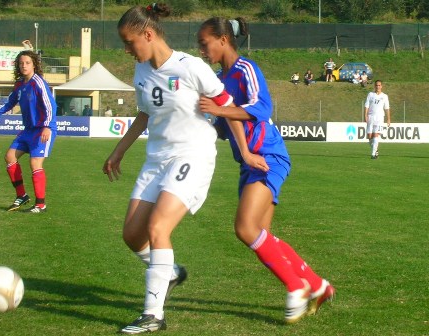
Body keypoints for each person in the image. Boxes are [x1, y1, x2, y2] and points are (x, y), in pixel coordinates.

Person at [102, 3, 234, 334]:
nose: (128, 50)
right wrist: (118, 152)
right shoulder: (142, 71)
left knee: (158, 228)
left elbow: (228, 107)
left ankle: (153, 315)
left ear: (148, 34)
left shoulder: (192, 67)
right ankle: (171, 272)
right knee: (132, 235)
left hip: (193, 154)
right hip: (156, 159)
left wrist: (245, 150)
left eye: (130, 42)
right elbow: (145, 115)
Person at [198, 17, 335, 324]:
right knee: (261, 235)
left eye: (204, 43)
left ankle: (296, 285)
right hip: (249, 162)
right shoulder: (219, 80)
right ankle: (317, 284)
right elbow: (227, 126)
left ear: (222, 40)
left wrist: (218, 110)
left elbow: (262, 108)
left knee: (245, 228)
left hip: (268, 155)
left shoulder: (246, 68)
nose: (201, 50)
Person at [0, 50, 57, 213]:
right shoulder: (20, 84)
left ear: (34, 64)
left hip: (42, 129)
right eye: (21, 63)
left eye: (27, 63)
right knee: (9, 157)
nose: (24, 65)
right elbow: (9, 103)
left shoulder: (39, 83)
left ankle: (40, 205)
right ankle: (22, 195)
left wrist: (47, 126)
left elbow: (51, 106)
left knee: (35, 163)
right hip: (28, 130)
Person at [364, 80, 390, 159]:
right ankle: (375, 149)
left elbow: (387, 108)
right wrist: (365, 115)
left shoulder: (384, 96)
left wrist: (388, 119)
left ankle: (373, 154)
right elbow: (366, 106)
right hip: (371, 116)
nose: (378, 87)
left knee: (376, 134)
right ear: (374, 86)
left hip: (379, 117)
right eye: (376, 85)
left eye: (379, 85)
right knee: (369, 136)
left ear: (381, 86)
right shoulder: (370, 95)